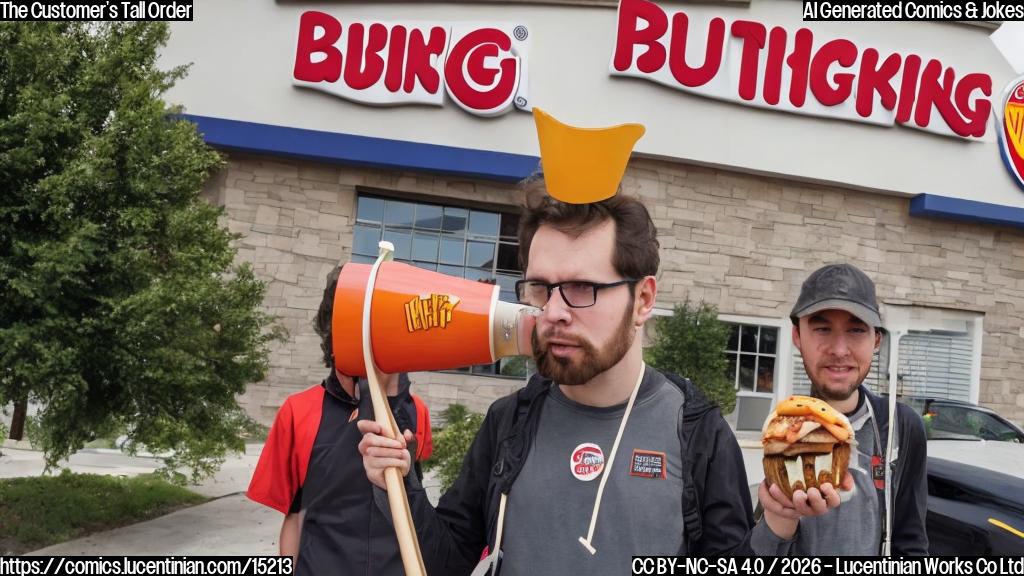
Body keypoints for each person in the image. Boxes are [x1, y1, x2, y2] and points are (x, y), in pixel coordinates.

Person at [358, 183, 754, 575]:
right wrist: (400, 482)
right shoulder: (509, 422)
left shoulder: (697, 431)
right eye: (542, 288)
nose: (553, 312)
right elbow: (449, 561)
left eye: (583, 288)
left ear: (643, 300)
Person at [246, 265, 433, 574]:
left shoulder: (416, 411)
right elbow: (294, 516)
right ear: (332, 334)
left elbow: (415, 511)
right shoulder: (298, 411)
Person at [752, 263, 928, 556]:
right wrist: (779, 519)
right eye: (822, 328)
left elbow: (912, 542)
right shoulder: (782, 430)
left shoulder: (900, 425)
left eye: (856, 329)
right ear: (797, 337)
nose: (839, 349)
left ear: (876, 340)